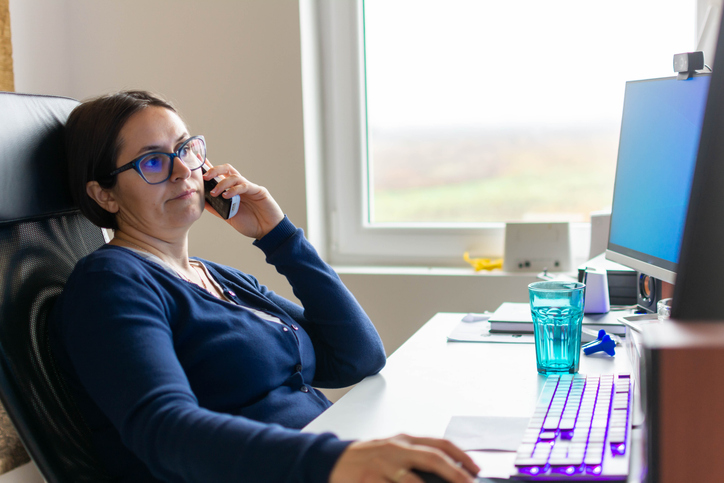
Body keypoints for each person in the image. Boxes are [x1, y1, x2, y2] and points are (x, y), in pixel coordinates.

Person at [49, 91, 479, 483]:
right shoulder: (111, 283)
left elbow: (356, 357)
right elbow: (166, 430)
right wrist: (333, 461)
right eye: (153, 161)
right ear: (105, 195)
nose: (184, 170)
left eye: (186, 149)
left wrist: (278, 235)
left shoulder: (218, 277)